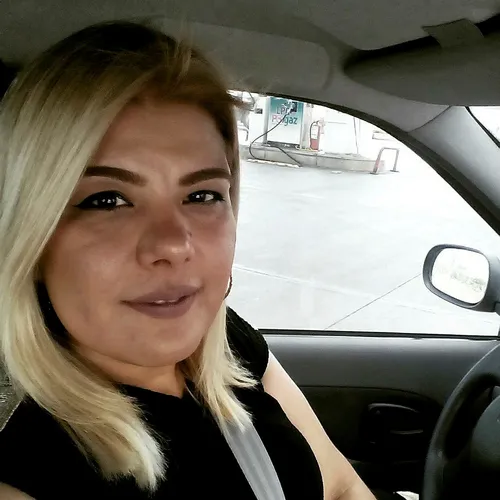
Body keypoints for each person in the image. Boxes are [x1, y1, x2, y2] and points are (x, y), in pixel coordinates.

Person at [0, 21, 375, 500]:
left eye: (202, 194)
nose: (175, 244)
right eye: (107, 200)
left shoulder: (228, 345)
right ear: (31, 240)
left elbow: (340, 485)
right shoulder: (30, 467)